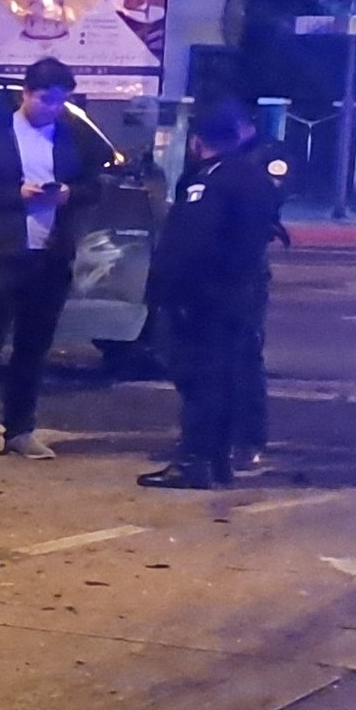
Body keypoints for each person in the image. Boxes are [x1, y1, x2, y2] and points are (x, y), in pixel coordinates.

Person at [0, 56, 114, 459]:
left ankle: (20, 429)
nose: (52, 108)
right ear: (26, 94)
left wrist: (68, 195)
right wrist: (16, 195)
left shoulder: (70, 138)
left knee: (33, 346)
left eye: (60, 101)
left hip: (50, 255)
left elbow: (94, 184)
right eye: (45, 99)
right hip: (1, 252)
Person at [140, 97, 286, 489]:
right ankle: (218, 460)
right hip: (240, 293)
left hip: (204, 297)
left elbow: (191, 242)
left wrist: (170, 289)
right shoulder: (254, 177)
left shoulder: (211, 180)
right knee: (226, 376)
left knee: (199, 380)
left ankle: (194, 460)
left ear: (197, 142)